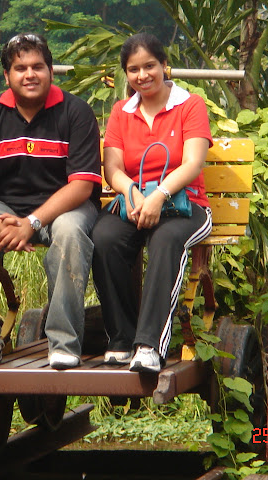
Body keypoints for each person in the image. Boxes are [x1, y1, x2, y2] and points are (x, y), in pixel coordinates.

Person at [0, 33, 102, 370]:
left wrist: (31, 223)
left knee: (69, 231)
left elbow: (80, 187)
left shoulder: (76, 112)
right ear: (7, 77)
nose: (30, 74)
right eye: (20, 68)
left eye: (38, 66)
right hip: (7, 208)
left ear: (51, 70)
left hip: (67, 208)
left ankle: (63, 344)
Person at [91, 33, 213, 373]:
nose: (142, 75)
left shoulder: (190, 105)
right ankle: (121, 338)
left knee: (165, 239)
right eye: (133, 70)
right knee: (104, 238)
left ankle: (149, 345)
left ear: (163, 65)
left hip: (187, 205)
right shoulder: (121, 112)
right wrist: (134, 195)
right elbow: (112, 167)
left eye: (149, 66)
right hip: (135, 201)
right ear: (126, 74)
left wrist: (158, 196)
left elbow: (192, 164)